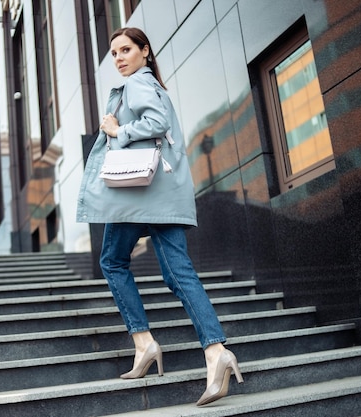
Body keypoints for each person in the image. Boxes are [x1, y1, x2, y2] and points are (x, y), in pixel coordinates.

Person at [76, 27, 243, 406]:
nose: (118, 57)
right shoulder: (152, 84)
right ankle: (216, 352)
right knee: (177, 271)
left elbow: (155, 124)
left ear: (144, 51)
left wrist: (117, 130)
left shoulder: (138, 84)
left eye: (126, 49)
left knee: (113, 261)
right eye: (114, 52)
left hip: (139, 193)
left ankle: (144, 342)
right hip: (161, 192)